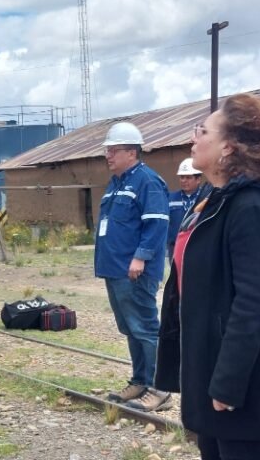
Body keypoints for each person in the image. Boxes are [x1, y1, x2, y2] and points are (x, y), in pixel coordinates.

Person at [155, 94, 260, 460]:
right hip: (209, 354)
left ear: (227, 147)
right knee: (212, 448)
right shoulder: (215, 198)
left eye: (202, 131)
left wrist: (228, 381)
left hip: (237, 366)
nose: (193, 138)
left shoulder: (251, 207)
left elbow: (254, 301)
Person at [94, 122, 171, 411]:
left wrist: (141, 256)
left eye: (113, 150)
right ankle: (140, 381)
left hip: (135, 270)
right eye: (107, 150)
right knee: (130, 327)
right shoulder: (117, 184)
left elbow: (157, 224)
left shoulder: (147, 182)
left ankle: (159, 388)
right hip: (115, 269)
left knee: (145, 328)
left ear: (131, 152)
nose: (108, 155)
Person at [166, 158, 203, 260]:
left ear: (198, 179)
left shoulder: (205, 198)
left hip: (199, 245)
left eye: (188, 177)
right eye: (182, 177)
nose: (184, 181)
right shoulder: (170, 198)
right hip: (175, 247)